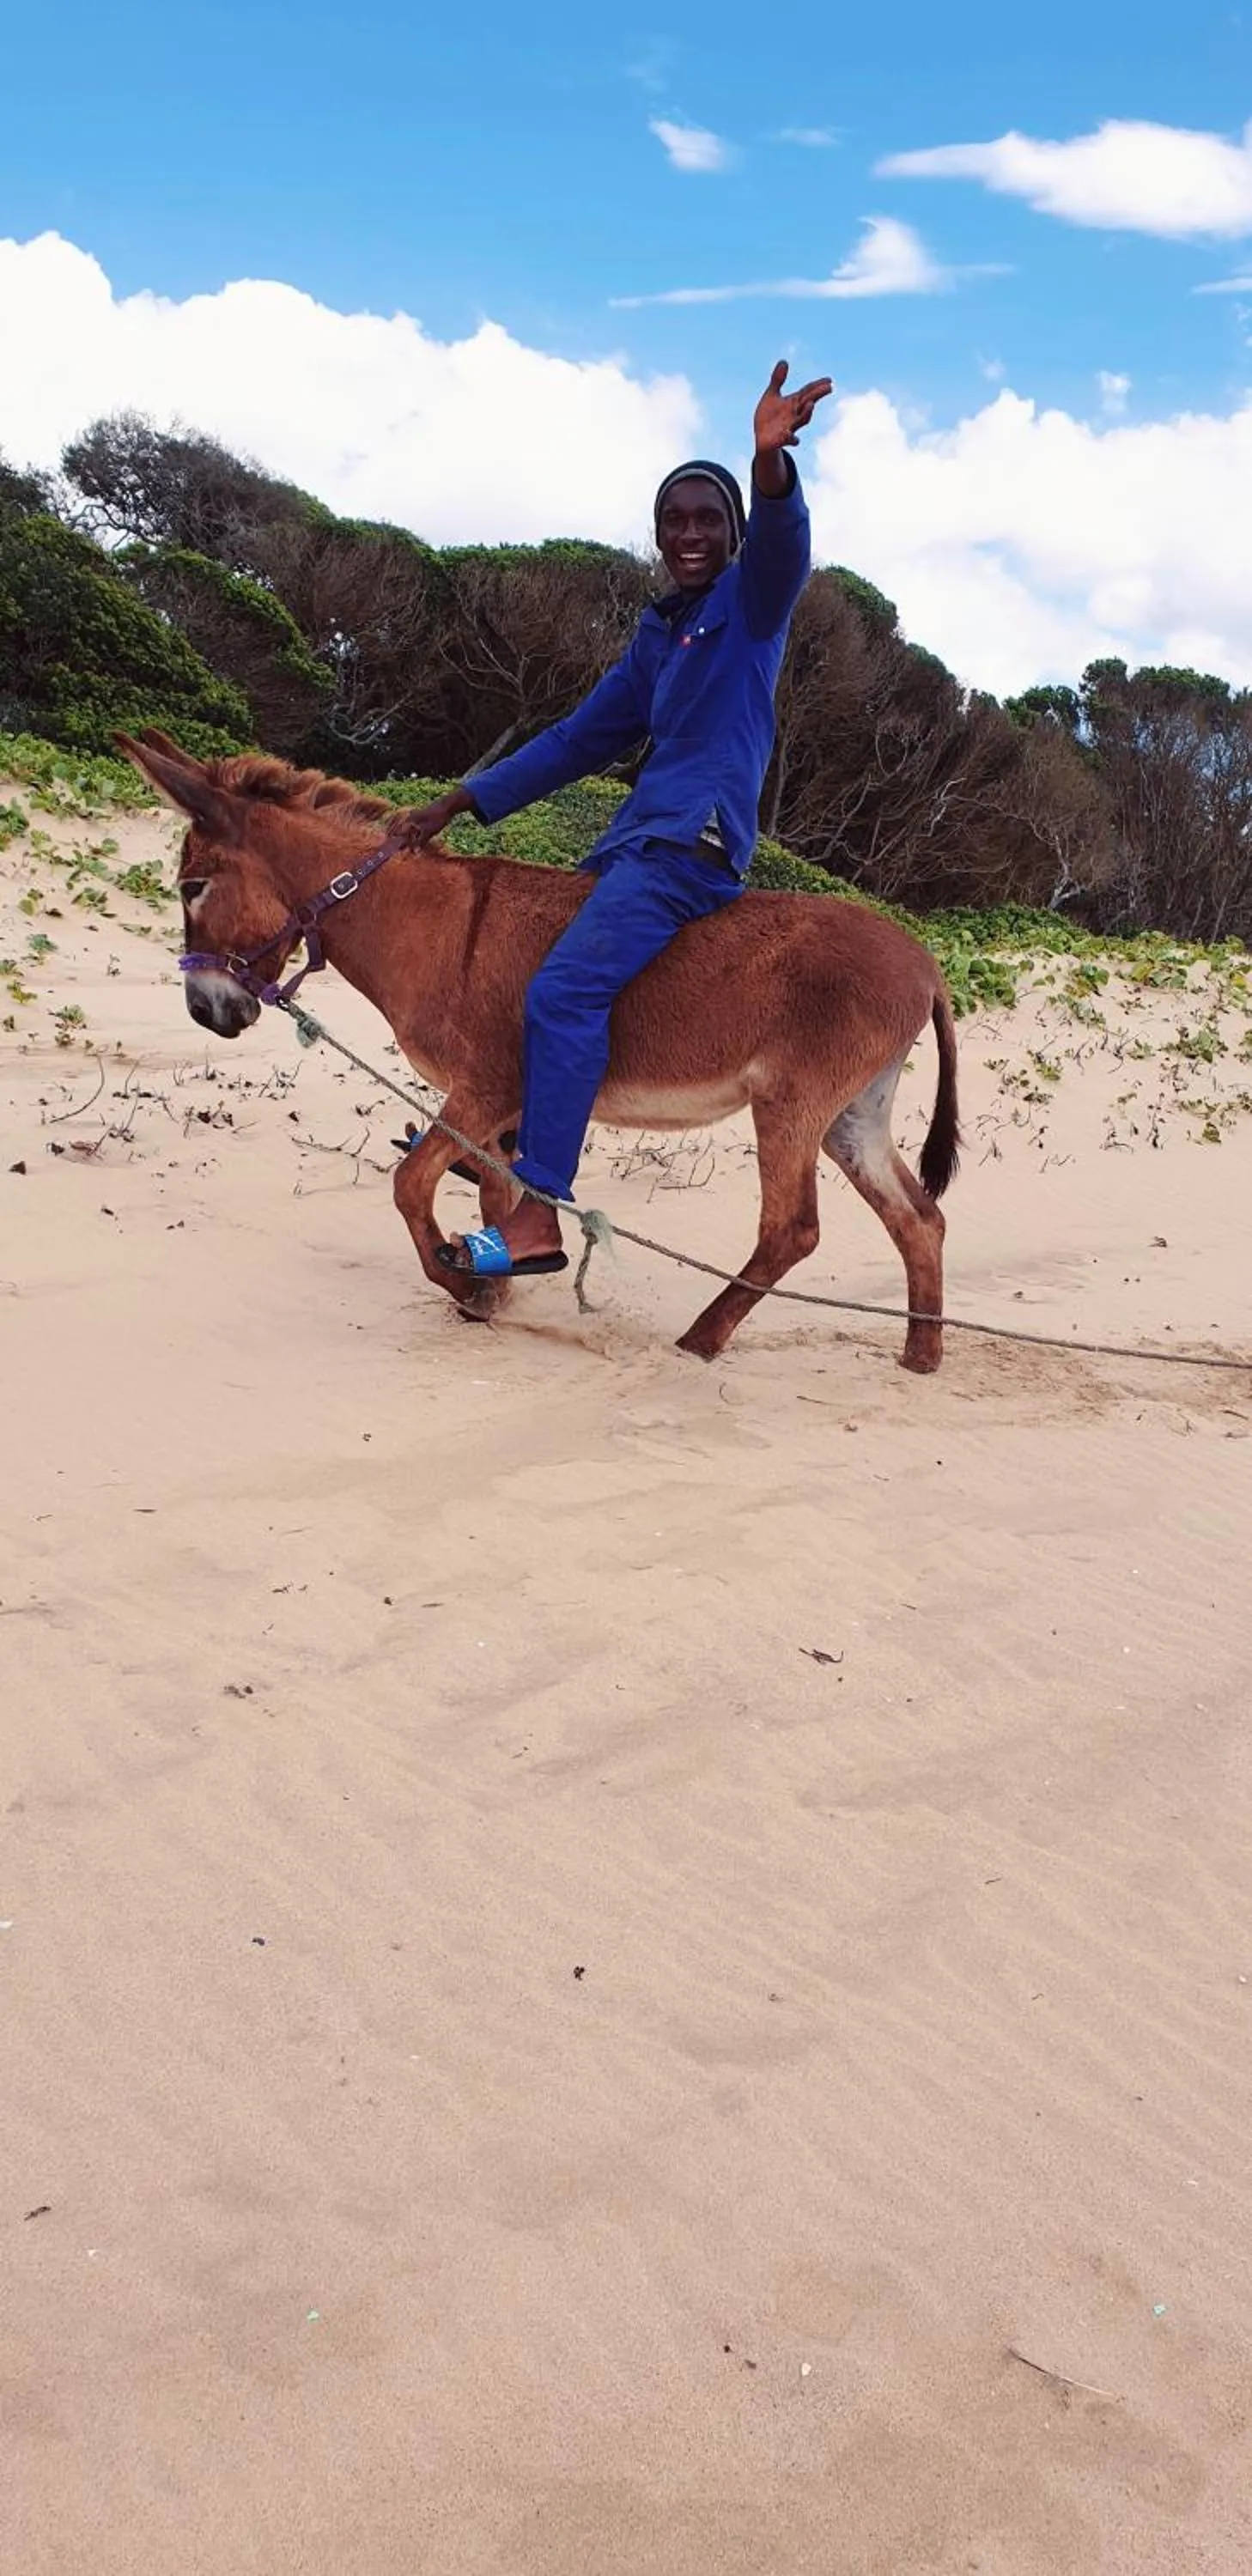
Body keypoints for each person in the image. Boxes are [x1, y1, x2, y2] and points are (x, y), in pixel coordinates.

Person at [401, 358, 832, 1279]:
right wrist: (463, 800)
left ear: (733, 535)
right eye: (674, 521)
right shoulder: (661, 636)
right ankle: (494, 1140)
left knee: (561, 995)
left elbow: (784, 543)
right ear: (658, 534)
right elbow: (577, 739)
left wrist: (768, 462)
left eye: (708, 520)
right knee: (532, 983)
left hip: (691, 844)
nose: (690, 534)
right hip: (631, 845)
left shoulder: (750, 606)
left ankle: (536, 1217)